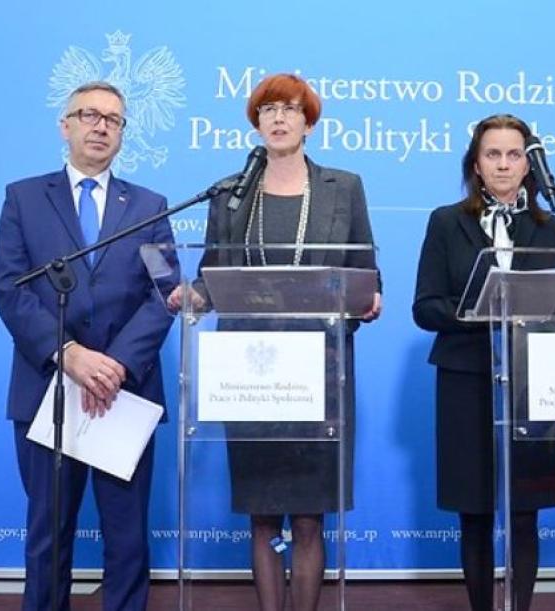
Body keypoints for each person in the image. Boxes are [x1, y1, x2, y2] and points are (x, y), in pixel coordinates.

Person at [172, 73, 381, 611]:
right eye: (268, 110)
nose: (279, 118)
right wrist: (194, 295)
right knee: (262, 514)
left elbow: (365, 268)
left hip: (321, 367)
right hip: (251, 369)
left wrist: (369, 296)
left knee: (309, 516)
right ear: (257, 122)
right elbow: (213, 273)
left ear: (309, 123)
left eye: (290, 109)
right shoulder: (230, 192)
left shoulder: (344, 187)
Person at [0, 81, 175, 611]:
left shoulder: (149, 205)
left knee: (127, 536)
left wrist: (115, 364)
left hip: (124, 391)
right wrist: (69, 353)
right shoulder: (24, 198)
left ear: (122, 133)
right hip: (47, 389)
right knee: (48, 534)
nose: (101, 126)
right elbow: (10, 287)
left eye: (113, 119)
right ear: (65, 125)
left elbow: (165, 291)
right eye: (89, 115)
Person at [412, 114, 555, 611]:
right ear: (476, 165)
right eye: (492, 154)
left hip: (531, 383)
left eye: (514, 154)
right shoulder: (446, 221)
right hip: (466, 381)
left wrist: (532, 318)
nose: (504, 164)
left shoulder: (552, 227)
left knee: (525, 512)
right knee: (475, 511)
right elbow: (425, 307)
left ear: (529, 165)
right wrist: (482, 313)